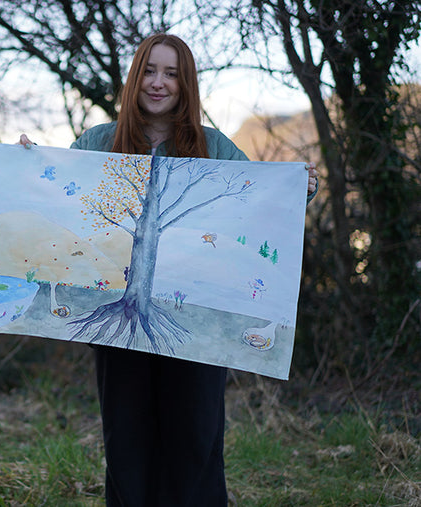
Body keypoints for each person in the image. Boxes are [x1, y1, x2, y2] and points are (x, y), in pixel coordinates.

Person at [19, 34, 319, 506]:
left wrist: (300, 185)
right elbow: (59, 196)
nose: (159, 83)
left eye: (172, 74)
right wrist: (27, 161)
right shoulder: (100, 141)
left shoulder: (212, 146)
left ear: (186, 84)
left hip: (197, 320)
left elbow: (257, 195)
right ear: (136, 77)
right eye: (150, 71)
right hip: (119, 316)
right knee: (127, 437)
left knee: (195, 435)